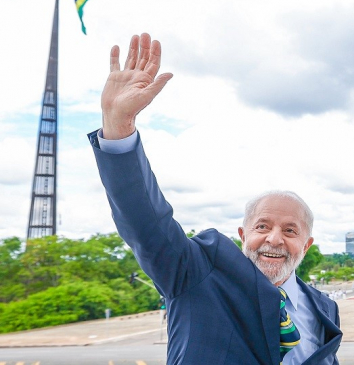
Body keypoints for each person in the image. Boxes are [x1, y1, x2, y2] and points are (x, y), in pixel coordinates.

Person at [87, 34, 341, 365]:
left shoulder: (325, 308)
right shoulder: (195, 274)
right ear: (243, 235)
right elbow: (146, 223)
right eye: (262, 225)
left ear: (306, 245)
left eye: (291, 231)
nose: (274, 239)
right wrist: (119, 126)